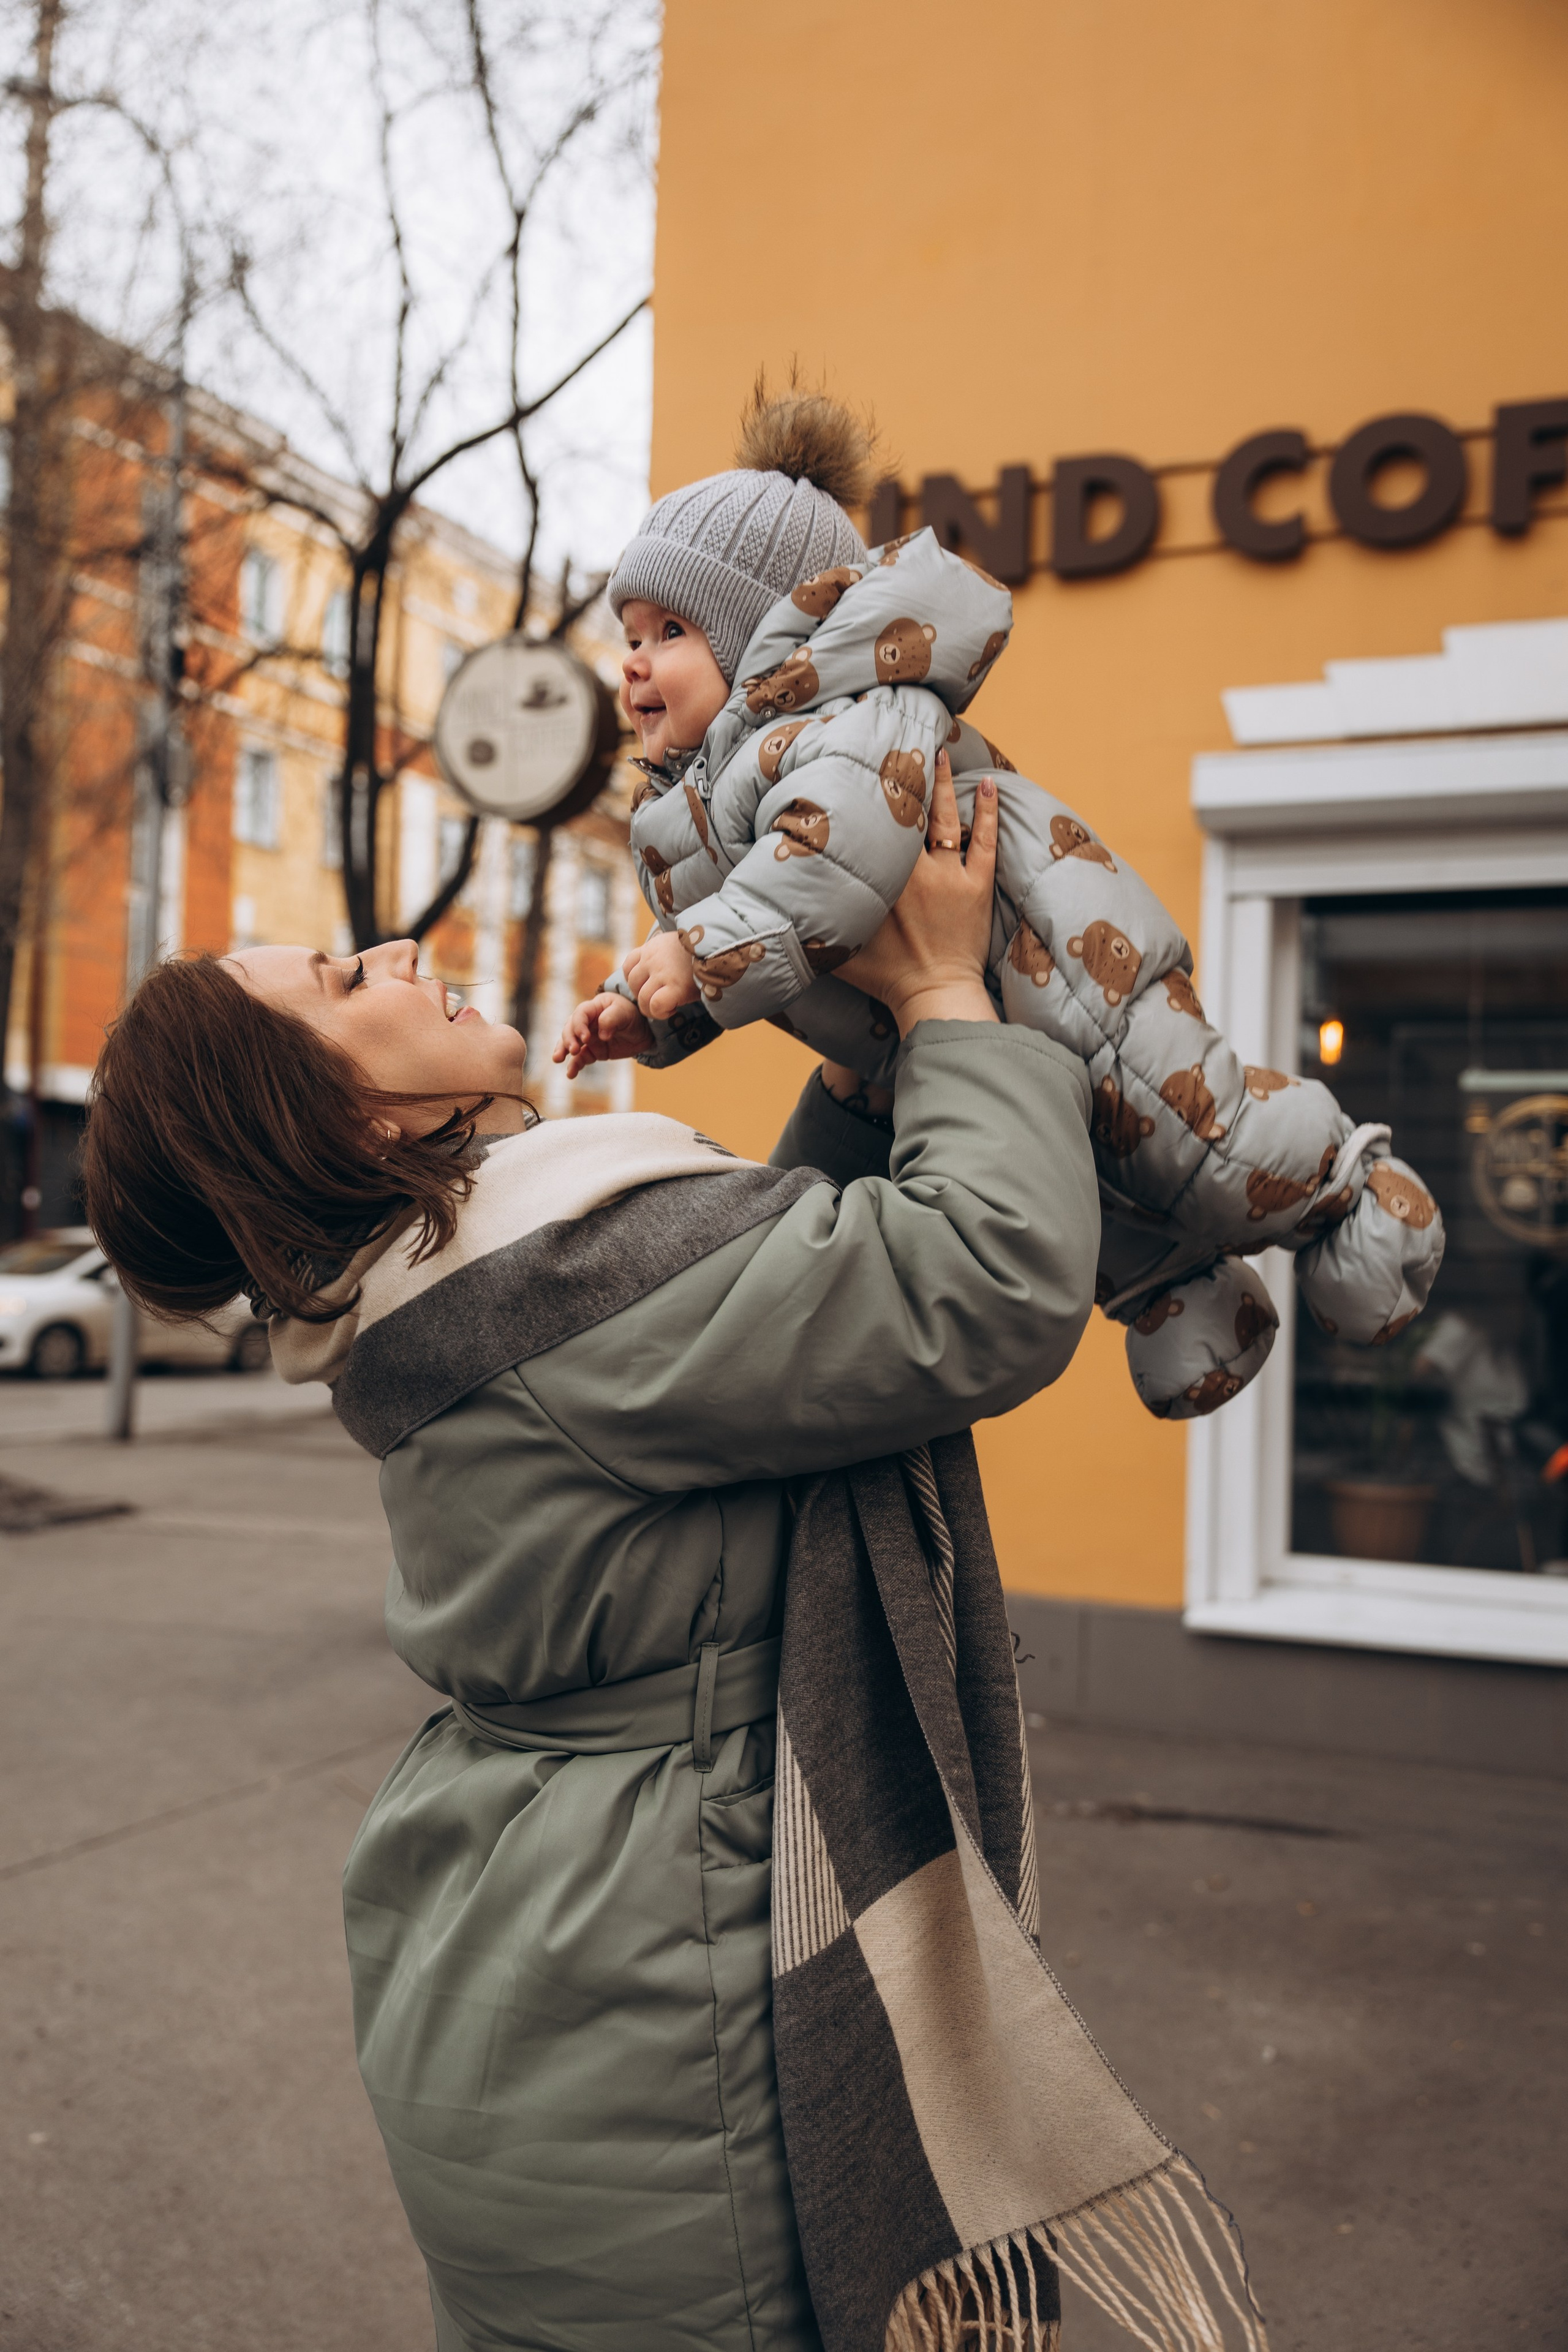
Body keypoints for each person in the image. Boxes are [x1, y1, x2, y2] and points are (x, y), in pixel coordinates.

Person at [80, 766, 1101, 2352]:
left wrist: (861, 1068)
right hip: (659, 2000)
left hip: (546, 1969)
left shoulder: (481, 1280)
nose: (399, 951)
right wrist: (951, 993)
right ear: (355, 1116)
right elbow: (981, 1276)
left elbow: (773, 1298)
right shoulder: (553, 1285)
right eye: (350, 982)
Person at [558, 383, 1445, 1425]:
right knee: (1077, 1188)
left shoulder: (846, 718)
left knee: (1198, 1143)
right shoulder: (691, 809)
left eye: (669, 629)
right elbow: (761, 923)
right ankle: (1189, 1300)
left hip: (1069, 968)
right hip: (943, 1035)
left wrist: (696, 950)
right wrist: (654, 1003)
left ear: (764, 643)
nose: (633, 659)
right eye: (627, 630)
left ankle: (1353, 1189)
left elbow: (838, 853)